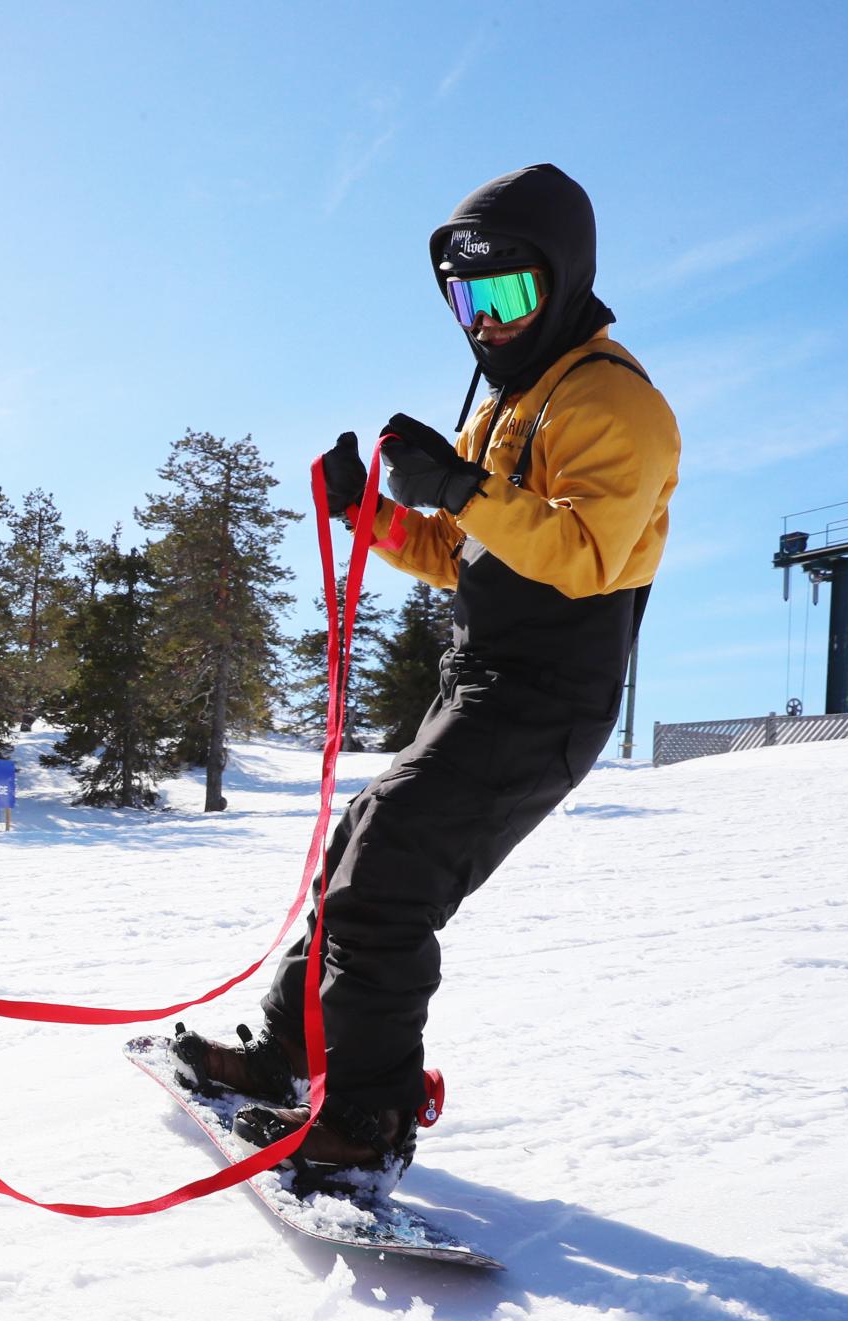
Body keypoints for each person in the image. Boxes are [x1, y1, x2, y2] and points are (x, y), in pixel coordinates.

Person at [171, 162, 680, 1191]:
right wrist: (371, 510)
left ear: (564, 280)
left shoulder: (615, 407)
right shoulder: (511, 404)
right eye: (466, 299)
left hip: (550, 692)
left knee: (391, 874)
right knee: (364, 846)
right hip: (483, 676)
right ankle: (286, 1052)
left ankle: (369, 1118)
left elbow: (583, 553)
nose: (485, 324)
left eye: (507, 296)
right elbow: (463, 553)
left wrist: (464, 486)